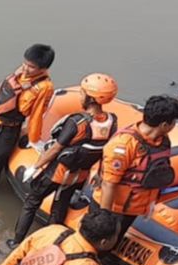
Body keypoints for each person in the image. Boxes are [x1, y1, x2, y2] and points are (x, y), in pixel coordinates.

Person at [8, 73, 119, 247]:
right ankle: (51, 246)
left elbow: (56, 148)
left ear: (91, 98)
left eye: (82, 93)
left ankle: (16, 241)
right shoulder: (112, 122)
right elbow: (106, 150)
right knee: (59, 208)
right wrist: (99, 172)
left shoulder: (77, 122)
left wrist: (36, 167)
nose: (80, 95)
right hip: (79, 175)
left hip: (57, 172)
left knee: (32, 202)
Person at [97, 95, 178, 241]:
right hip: (114, 207)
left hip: (134, 208)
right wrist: (103, 218)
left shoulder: (162, 141)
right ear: (165, 125)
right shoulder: (124, 144)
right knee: (103, 241)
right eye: (174, 122)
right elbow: (109, 183)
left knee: (115, 240)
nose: (174, 125)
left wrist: (150, 204)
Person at [0, 44, 55, 191]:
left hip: (7, 129)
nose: (25, 68)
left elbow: (37, 115)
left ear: (43, 68)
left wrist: (34, 139)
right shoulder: (21, 73)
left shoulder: (44, 87)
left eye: (31, 66)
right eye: (25, 63)